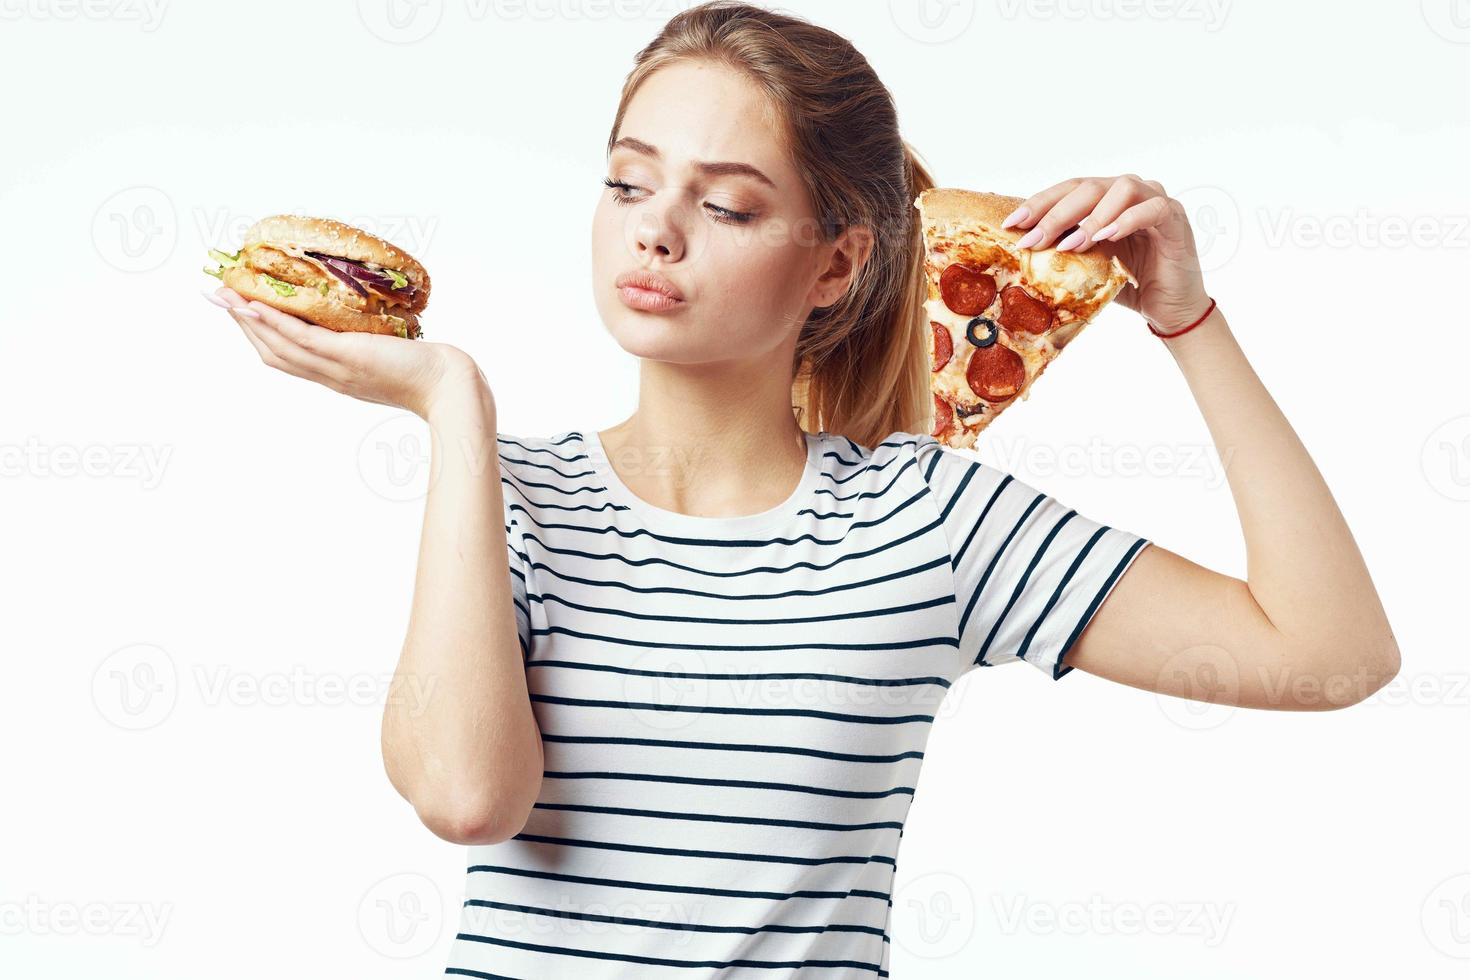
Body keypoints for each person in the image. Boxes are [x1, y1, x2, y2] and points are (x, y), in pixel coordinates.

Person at [205, 3, 1400, 974]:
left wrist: (1186, 316)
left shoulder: (929, 516)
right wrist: (453, 403)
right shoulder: (504, 495)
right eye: (628, 184)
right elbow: (467, 798)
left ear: (835, 262)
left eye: (724, 203)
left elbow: (1332, 651)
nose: (656, 233)